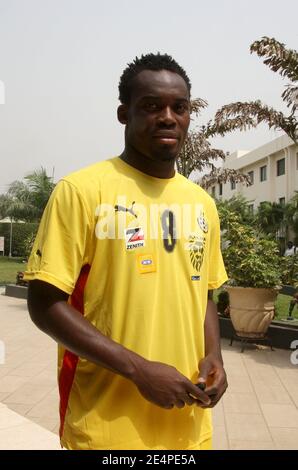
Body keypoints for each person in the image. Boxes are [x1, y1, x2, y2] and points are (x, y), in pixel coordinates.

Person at [24, 53, 228, 450]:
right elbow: (43, 304)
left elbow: (204, 294)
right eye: (151, 106)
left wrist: (214, 356)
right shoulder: (82, 191)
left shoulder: (203, 203)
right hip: (106, 428)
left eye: (180, 107)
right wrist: (139, 371)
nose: (168, 117)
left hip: (187, 428)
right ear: (124, 114)